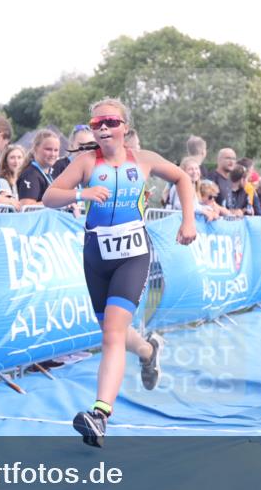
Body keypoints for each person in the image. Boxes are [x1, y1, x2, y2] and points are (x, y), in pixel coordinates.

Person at [42, 98, 196, 447]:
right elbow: (50, 196)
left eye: (110, 122)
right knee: (113, 331)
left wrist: (188, 219)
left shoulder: (143, 160)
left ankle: (99, 415)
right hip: (97, 255)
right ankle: (147, 351)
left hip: (132, 256)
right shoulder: (85, 162)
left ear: (125, 127)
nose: (103, 129)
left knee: (111, 333)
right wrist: (81, 193)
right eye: (96, 124)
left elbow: (183, 178)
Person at [17, 129, 61, 206]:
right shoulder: (30, 175)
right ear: (35, 149)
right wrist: (59, 202)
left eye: (56, 150)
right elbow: (26, 207)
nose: (53, 154)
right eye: (48, 149)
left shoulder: (49, 173)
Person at [206, 148, 239, 213]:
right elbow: (207, 202)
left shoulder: (230, 180)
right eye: (228, 158)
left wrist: (236, 211)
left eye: (234, 159)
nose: (231, 161)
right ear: (219, 160)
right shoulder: (211, 178)